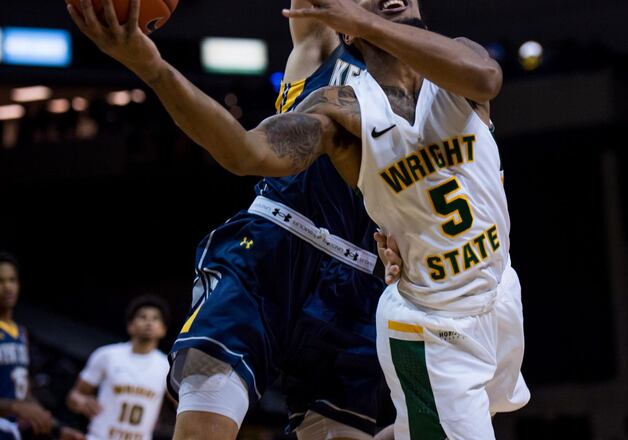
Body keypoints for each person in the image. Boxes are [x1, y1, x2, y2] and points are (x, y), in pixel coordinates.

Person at [67, 0, 531, 437]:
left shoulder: (457, 67)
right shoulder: (334, 89)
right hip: (278, 244)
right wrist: (152, 67)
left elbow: (486, 76)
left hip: (380, 283)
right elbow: (244, 151)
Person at [0, 253, 84, 440]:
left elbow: (23, 394)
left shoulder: (20, 333)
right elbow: (18, 405)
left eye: (12, 280)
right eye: (0, 281)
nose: (7, 287)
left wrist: (58, 429)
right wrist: (14, 407)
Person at [67, 295, 170, 440]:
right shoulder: (107, 355)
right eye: (143, 317)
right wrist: (81, 402)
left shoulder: (167, 366)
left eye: (155, 318)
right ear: (130, 326)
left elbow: (182, 404)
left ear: (163, 330)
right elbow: (74, 396)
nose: (149, 322)